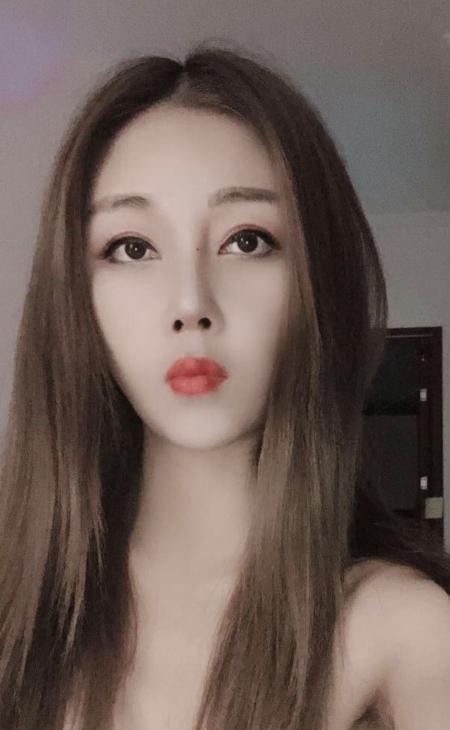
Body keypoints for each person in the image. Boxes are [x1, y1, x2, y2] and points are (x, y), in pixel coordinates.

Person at [1, 41, 449, 730]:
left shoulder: (404, 634)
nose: (192, 303)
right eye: (132, 247)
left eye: (246, 240)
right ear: (75, 298)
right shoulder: (20, 617)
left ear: (318, 282)